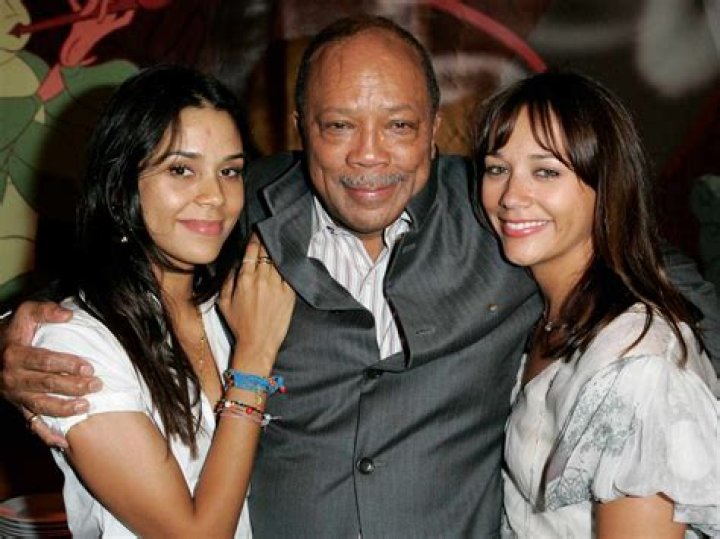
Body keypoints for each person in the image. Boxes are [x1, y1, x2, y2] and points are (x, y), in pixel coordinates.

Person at [2, 16, 719, 538]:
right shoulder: (239, 208)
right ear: (300, 127)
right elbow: (125, 256)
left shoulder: (502, 213)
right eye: (339, 125)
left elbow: (651, 276)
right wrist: (19, 329)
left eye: (398, 126)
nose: (368, 156)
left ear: (434, 129)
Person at [24, 64, 295, 537]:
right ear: (120, 187)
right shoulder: (76, 343)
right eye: (181, 170)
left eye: (229, 171)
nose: (215, 196)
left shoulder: (234, 304)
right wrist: (253, 359)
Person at [477, 70, 719, 537]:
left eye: (546, 171)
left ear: (606, 185)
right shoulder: (546, 317)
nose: (511, 196)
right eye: (497, 169)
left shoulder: (636, 367)